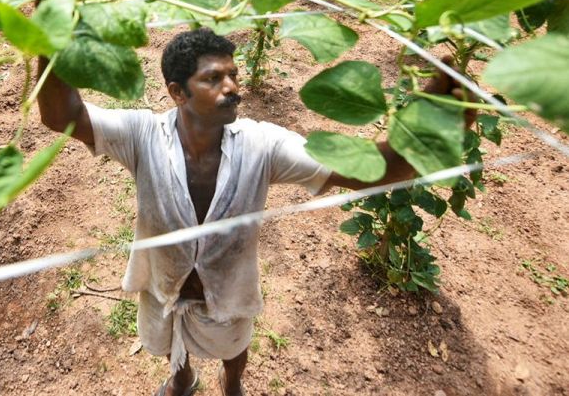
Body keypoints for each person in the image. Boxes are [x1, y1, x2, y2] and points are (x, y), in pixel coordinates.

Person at [36, 27, 469, 396]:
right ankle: (183, 379)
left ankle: (233, 384)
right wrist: (50, 35)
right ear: (177, 92)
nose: (232, 88)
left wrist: (429, 122)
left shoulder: (263, 144)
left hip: (228, 286)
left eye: (233, 75)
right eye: (213, 78)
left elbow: (364, 171)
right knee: (171, 343)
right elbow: (64, 115)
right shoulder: (142, 135)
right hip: (163, 283)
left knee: (235, 342)